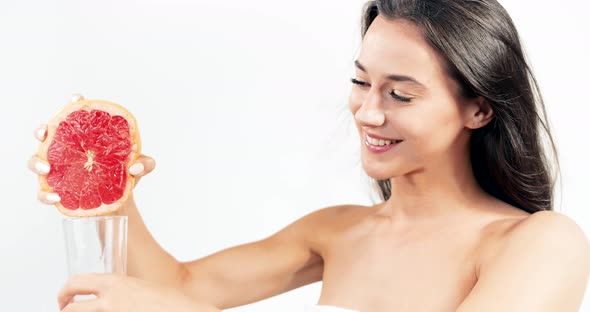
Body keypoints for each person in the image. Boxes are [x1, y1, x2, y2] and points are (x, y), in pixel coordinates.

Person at [28, 0, 590, 311]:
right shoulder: (337, 232)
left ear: (480, 110)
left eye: (400, 94)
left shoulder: (541, 243)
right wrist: (104, 189)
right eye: (359, 81)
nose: (368, 113)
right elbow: (179, 289)